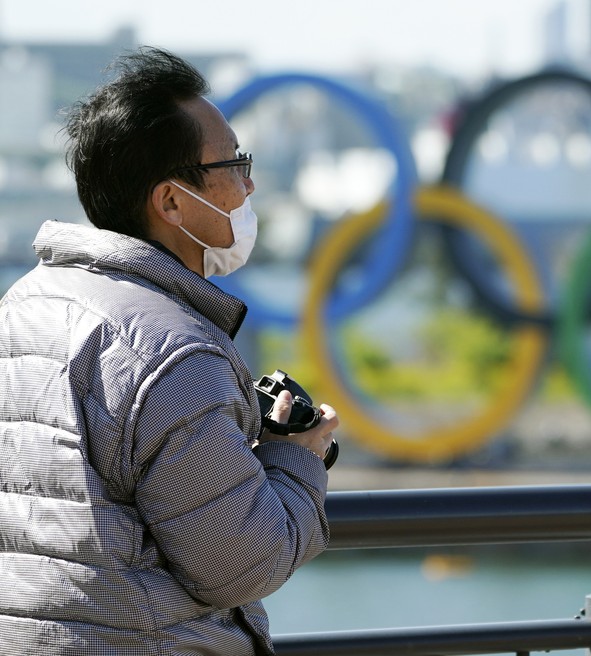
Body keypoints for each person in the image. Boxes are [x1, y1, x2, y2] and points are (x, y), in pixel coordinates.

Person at [0, 46, 338, 655]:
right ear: (173, 202)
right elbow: (243, 564)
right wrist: (298, 457)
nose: (250, 183)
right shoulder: (170, 352)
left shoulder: (25, 304)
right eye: (234, 163)